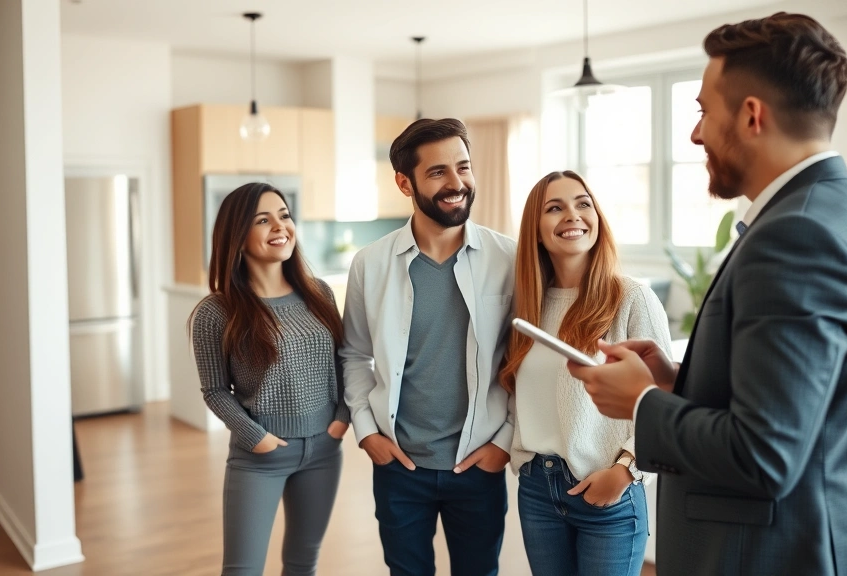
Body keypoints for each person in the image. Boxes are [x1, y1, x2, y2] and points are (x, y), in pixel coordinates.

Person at [568, 12, 847, 576]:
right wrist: (676, 383)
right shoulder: (846, 212)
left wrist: (643, 404)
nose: (695, 133)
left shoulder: (796, 236)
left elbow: (765, 453)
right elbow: (805, 406)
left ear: (752, 116)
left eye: (703, 111)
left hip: (767, 554)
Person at [340, 118, 516, 576]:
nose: (457, 183)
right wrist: (366, 432)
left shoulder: (510, 260)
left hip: (478, 464)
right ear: (405, 182)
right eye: (438, 172)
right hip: (400, 466)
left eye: (464, 167)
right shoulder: (370, 264)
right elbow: (355, 354)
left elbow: (525, 361)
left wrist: (505, 440)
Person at [502, 170, 671, 576]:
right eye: (554, 208)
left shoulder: (631, 298)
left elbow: (664, 403)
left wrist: (626, 471)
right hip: (538, 490)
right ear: (536, 231)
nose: (572, 216)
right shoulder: (526, 307)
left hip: (609, 489)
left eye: (583, 204)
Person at [188, 182, 349, 576]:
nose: (281, 226)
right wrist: (255, 438)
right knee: (241, 570)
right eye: (263, 219)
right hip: (260, 457)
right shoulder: (217, 311)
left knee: (302, 564)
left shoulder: (319, 294)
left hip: (324, 451)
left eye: (284, 215)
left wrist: (341, 419)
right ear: (237, 236)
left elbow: (344, 363)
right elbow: (214, 391)